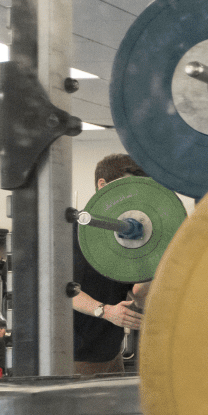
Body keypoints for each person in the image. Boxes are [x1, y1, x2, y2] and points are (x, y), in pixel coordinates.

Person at [71, 154, 147, 375]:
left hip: (111, 352)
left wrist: (152, 263)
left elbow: (139, 294)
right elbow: (61, 290)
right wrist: (104, 311)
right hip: (76, 356)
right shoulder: (73, 232)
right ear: (102, 185)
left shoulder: (128, 236)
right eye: (127, 187)